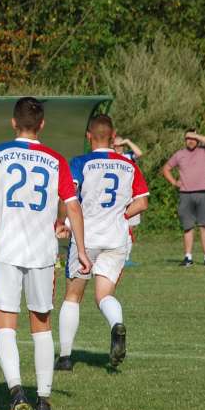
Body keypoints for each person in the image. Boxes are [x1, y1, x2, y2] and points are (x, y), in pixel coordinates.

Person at [0, 97, 91, 410]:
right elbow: (72, 206)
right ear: (41, 125)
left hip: (4, 251)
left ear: (13, 123)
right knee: (41, 324)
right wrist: (81, 251)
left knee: (5, 325)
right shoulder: (56, 159)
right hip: (42, 252)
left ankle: (15, 391)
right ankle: (43, 398)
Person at [55, 116, 149, 372]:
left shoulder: (81, 163)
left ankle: (64, 357)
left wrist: (61, 221)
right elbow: (142, 202)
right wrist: (121, 215)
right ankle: (116, 325)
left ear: (88, 136)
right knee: (104, 295)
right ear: (113, 134)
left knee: (73, 296)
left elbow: (69, 197)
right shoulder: (129, 164)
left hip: (86, 237)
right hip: (116, 238)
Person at [162, 129, 205, 267]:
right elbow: (166, 168)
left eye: (193, 138)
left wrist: (196, 135)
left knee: (204, 226)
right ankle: (188, 257)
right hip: (185, 194)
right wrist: (174, 182)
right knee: (188, 227)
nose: (190, 141)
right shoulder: (179, 154)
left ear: (197, 139)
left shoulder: (204, 151)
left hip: (202, 193)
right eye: (188, 138)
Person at [113, 136, 144, 266]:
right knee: (116, 228)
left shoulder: (128, 156)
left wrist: (128, 142)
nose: (118, 147)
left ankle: (126, 257)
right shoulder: (109, 157)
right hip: (116, 198)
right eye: (116, 145)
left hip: (131, 197)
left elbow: (140, 154)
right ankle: (116, 255)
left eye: (120, 145)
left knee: (129, 227)